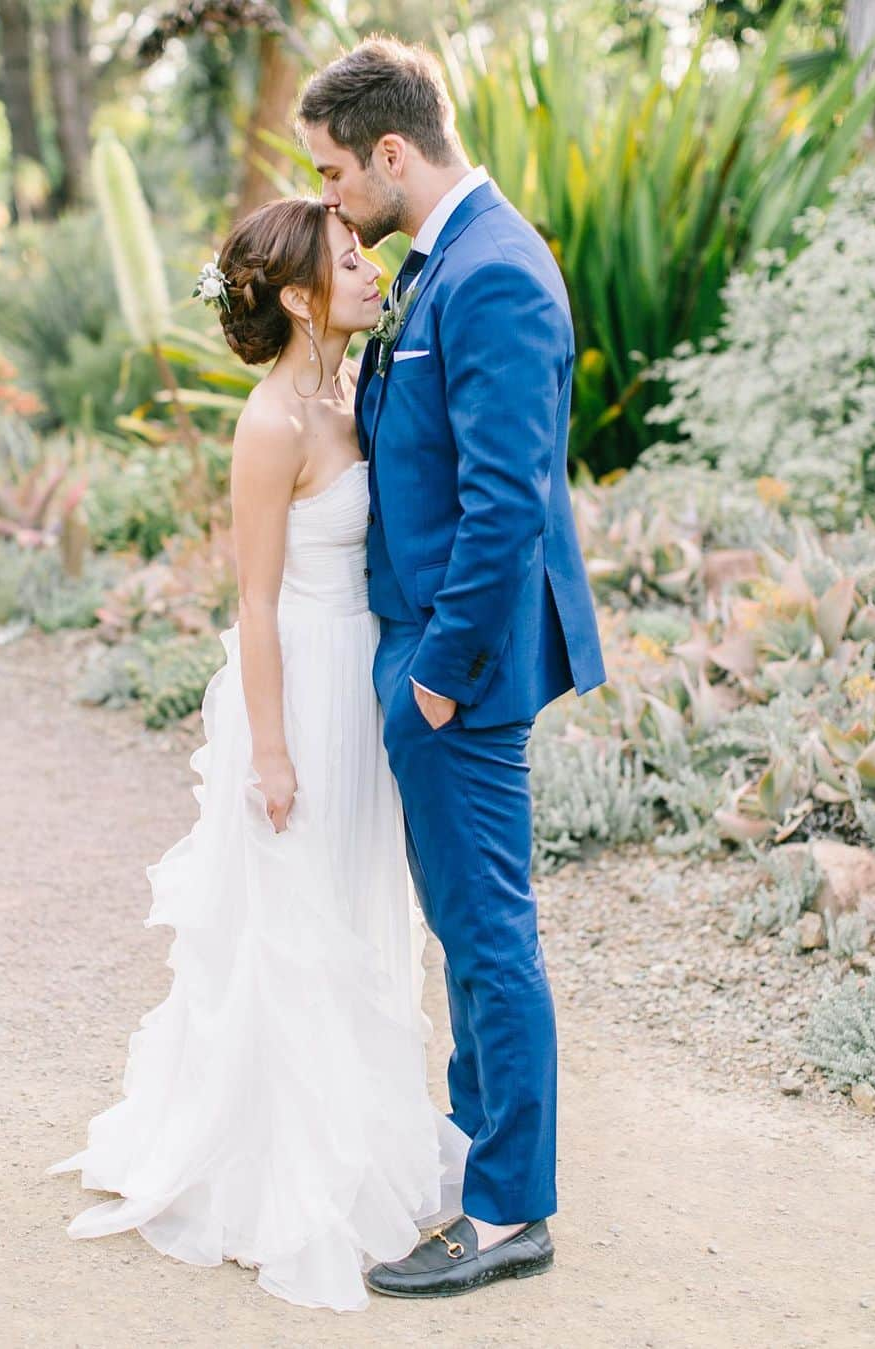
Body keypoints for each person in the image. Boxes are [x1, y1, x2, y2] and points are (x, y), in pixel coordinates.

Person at [45, 197, 469, 1313]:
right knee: (291, 926)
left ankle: (358, 1129)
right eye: (349, 258)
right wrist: (271, 751)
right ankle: (278, 1166)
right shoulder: (272, 421)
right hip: (296, 692)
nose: (372, 268)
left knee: (355, 914)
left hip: (362, 678)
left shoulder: (354, 385)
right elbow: (256, 600)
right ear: (297, 296)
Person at [296, 36, 607, 1298]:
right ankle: (483, 1158)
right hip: (428, 655)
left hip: (458, 666)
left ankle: (507, 1211)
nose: (328, 202)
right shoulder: (439, 268)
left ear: (391, 151)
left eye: (332, 174)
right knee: (463, 928)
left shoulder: (496, 276)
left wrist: (433, 674)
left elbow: (506, 506)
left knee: (487, 937)